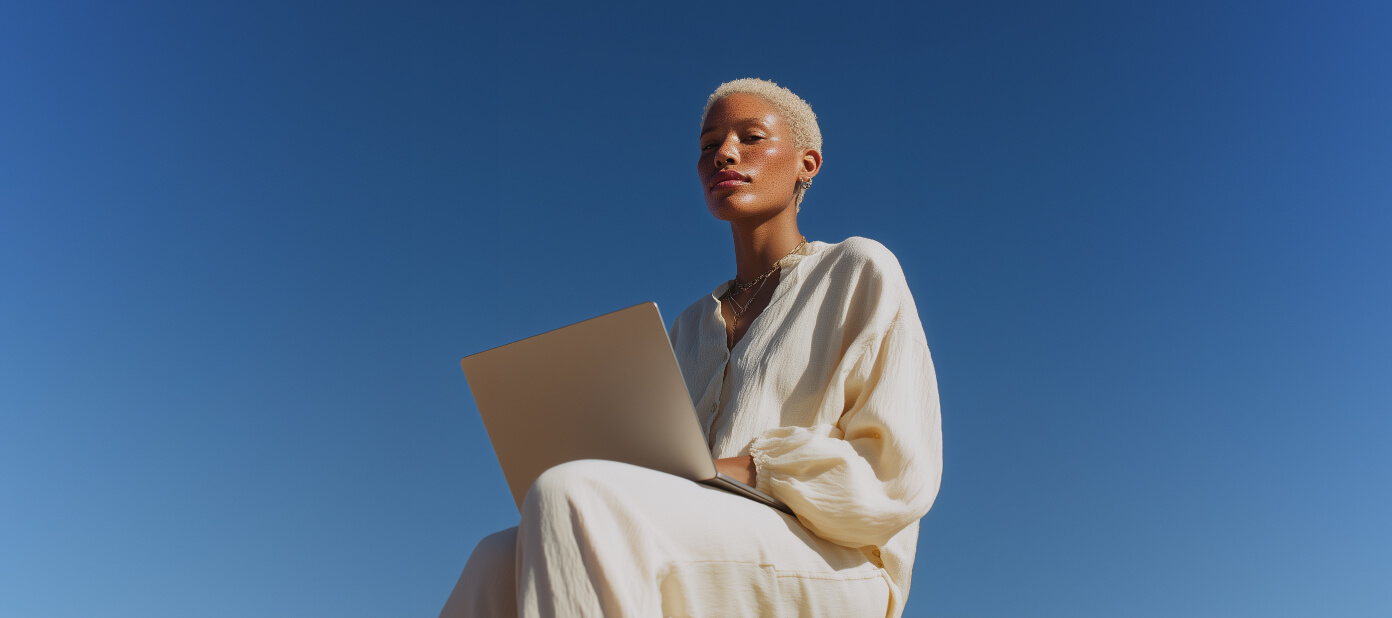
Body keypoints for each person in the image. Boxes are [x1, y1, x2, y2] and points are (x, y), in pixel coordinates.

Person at [440, 78, 942, 618]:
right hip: (697, 536)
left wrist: (733, 468)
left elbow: (894, 473)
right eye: (709, 145)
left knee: (574, 496)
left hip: (833, 558)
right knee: (496, 557)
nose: (724, 153)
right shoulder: (689, 326)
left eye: (751, 137)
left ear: (807, 163)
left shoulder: (858, 269)